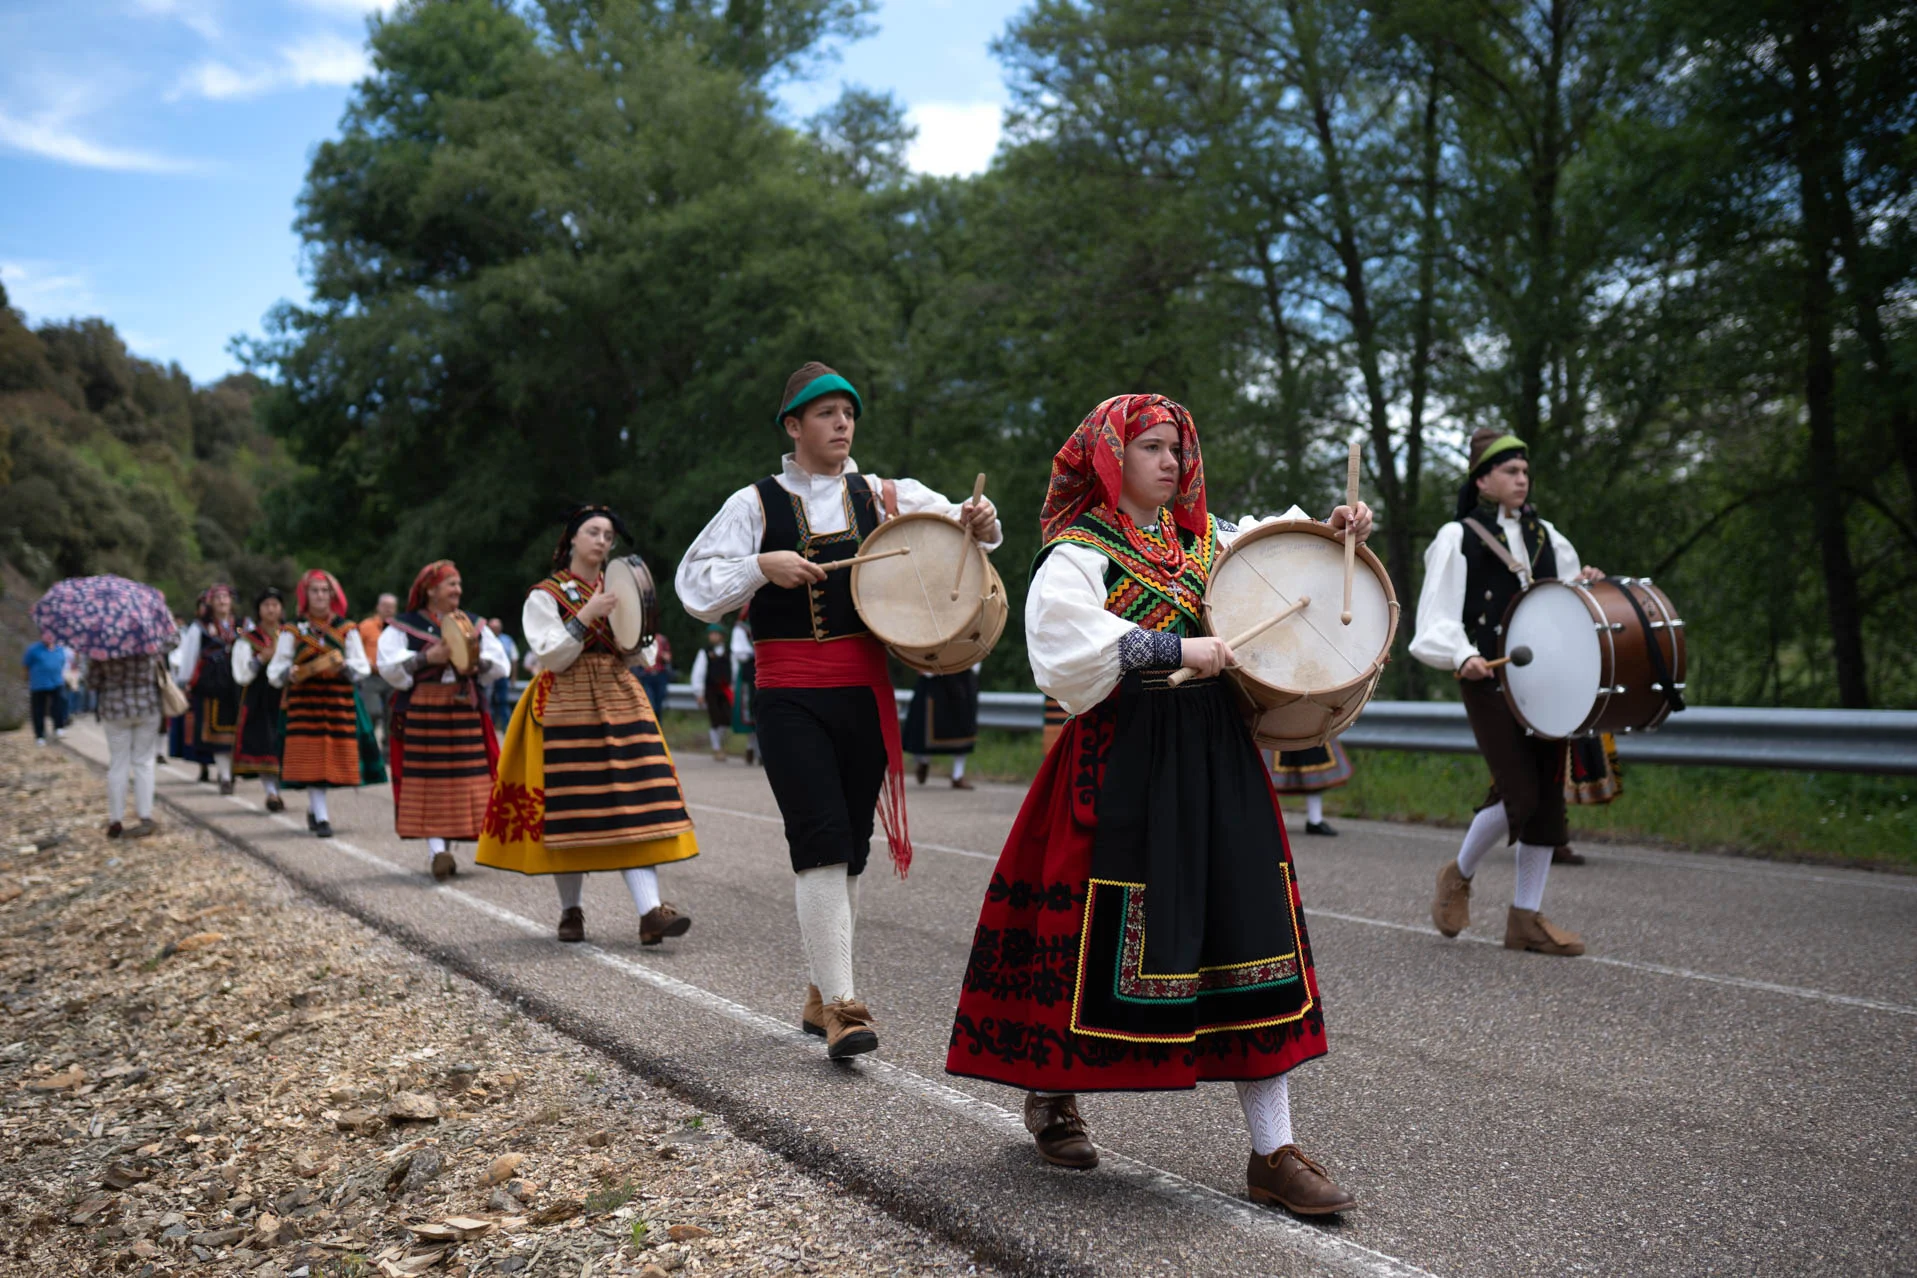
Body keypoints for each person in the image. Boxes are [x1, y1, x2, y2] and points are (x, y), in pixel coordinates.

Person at [942, 393, 1366, 1216]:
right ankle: (1052, 1093)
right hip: (1120, 759)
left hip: (1217, 758)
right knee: (1082, 938)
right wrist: (1177, 647)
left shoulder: (1208, 542)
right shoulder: (1078, 551)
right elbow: (1060, 650)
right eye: (1152, 448)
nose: (1171, 461)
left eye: (1178, 447)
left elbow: (1283, 565)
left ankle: (1272, 1150)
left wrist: (1333, 530)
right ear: (1110, 460)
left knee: (1253, 932)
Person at [677, 361, 1001, 1061]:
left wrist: (978, 520)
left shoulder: (885, 494)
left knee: (851, 850)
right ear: (793, 427)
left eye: (847, 413)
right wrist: (761, 567)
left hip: (863, 693)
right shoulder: (754, 503)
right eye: (824, 414)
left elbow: (965, 534)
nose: (841, 424)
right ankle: (846, 1008)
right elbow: (694, 587)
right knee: (820, 838)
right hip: (788, 693)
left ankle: (821, 992)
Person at [1410, 428, 1600, 957]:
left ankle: (1525, 919)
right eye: (1510, 472)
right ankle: (1459, 874)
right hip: (1487, 676)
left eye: (1525, 471)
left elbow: (1567, 607)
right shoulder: (1459, 536)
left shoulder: (1547, 537)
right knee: (1522, 791)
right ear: (1483, 481)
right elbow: (1437, 616)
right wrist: (1461, 655)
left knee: (1543, 796)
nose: (1522, 479)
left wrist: (1585, 583)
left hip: (1543, 682)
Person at [478, 506, 699, 944]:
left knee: (635, 801)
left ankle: (650, 913)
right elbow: (551, 655)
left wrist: (632, 637)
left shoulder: (621, 586)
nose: (602, 540)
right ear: (572, 539)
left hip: (619, 695)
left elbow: (645, 654)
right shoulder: (546, 594)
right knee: (572, 805)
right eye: (592, 532)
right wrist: (586, 614)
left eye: (608, 535)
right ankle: (571, 912)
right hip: (565, 700)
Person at [379, 561, 509, 881]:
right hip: (425, 707)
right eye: (451, 584)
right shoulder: (403, 626)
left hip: (464, 707)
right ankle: (437, 852)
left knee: (464, 781)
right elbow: (388, 667)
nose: (458, 591)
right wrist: (427, 658)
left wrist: (474, 663)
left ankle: (444, 851)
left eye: (459, 584)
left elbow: (501, 666)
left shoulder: (474, 624)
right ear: (430, 590)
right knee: (429, 781)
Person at [269, 570, 386, 838]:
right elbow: (276, 669)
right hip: (305, 703)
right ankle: (321, 816)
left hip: (337, 702)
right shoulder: (292, 631)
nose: (320, 596)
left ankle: (315, 808)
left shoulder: (347, 629)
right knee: (311, 758)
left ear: (332, 595)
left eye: (325, 591)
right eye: (315, 591)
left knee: (331, 758)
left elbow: (361, 666)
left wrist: (345, 667)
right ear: (305, 596)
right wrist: (290, 673)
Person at [83, 632, 179, 840]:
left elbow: (91, 682)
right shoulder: (149, 637)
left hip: (115, 708)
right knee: (144, 761)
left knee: (118, 762)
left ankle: (116, 818)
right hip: (146, 706)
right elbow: (172, 644)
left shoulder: (101, 642)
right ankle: (145, 815)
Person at [174, 585, 243, 795]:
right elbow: (190, 655)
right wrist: (184, 680)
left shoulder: (242, 625)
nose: (222, 601)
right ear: (211, 603)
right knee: (217, 734)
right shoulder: (200, 627)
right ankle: (224, 777)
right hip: (211, 684)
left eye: (226, 597)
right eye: (218, 598)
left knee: (236, 729)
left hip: (237, 682)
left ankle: (231, 771)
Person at [231, 586, 289, 810]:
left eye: (275, 605)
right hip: (260, 698)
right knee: (264, 743)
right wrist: (260, 660)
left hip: (285, 696)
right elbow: (241, 673)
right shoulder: (248, 639)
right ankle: (271, 792)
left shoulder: (290, 635)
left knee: (283, 743)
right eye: (266, 605)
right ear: (259, 610)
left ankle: (280, 788)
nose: (271, 610)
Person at [905, 664, 980, 790]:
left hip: (961, 676)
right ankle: (923, 761)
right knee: (930, 726)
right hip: (935, 676)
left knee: (963, 728)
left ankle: (958, 775)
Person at [1267, 740, 1353, 836]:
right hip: (1280, 729)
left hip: (1308, 728)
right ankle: (1267, 820)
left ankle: (1315, 819)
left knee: (1314, 762)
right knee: (1268, 772)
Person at [357, 593, 399, 754]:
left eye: (391, 607)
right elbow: (354, 647)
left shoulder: (398, 628)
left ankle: (387, 752)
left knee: (392, 715)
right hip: (371, 677)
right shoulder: (366, 626)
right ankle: (367, 750)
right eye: (385, 606)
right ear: (378, 607)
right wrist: (362, 660)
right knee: (371, 712)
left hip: (392, 678)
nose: (388, 609)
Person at [688, 624, 733, 760]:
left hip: (726, 690)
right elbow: (698, 672)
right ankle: (716, 748)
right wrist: (699, 693)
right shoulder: (705, 652)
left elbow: (735, 671)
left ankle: (720, 744)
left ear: (722, 636)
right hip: (711, 690)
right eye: (711, 634)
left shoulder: (730, 653)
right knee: (715, 718)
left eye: (715, 634)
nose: (712, 636)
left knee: (726, 719)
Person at [22, 631, 70, 745]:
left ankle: (59, 727)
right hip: (39, 684)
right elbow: (25, 666)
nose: (49, 638)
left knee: (60, 704)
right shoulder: (33, 650)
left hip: (56, 682)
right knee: (38, 710)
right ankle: (40, 735)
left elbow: (62, 663)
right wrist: (26, 680)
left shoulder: (59, 649)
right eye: (46, 635)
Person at [730, 610, 759, 766]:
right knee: (750, 712)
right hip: (749, 673)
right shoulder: (740, 629)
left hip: (763, 669)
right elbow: (740, 654)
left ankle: (758, 750)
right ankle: (751, 748)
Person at [487, 618, 521, 727]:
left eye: (496, 628)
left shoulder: (507, 640)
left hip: (503, 676)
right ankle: (490, 727)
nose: (495, 630)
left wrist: (513, 677)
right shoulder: (485, 639)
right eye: (493, 628)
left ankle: (506, 729)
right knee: (488, 703)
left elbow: (514, 658)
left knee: (503, 702)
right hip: (488, 676)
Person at [634, 629, 673, 718]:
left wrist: (662, 655)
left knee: (658, 705)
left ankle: (658, 726)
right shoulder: (642, 640)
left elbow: (668, 658)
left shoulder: (662, 639)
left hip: (660, 675)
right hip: (647, 675)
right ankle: (652, 725)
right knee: (651, 704)